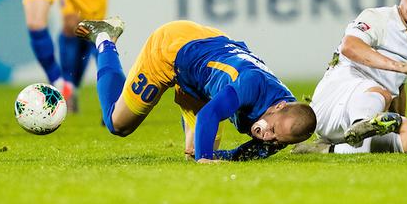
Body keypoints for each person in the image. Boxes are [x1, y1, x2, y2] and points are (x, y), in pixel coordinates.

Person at [73, 17, 316, 162]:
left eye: (277, 139)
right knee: (118, 124)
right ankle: (105, 38)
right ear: (279, 106)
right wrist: (206, 159)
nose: (268, 137)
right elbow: (210, 114)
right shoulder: (252, 84)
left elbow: (244, 153)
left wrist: (216, 157)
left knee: (193, 151)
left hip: (205, 68)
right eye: (272, 130)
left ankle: (189, 104)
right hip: (172, 49)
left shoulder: (287, 123)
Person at [296, 0, 407, 155]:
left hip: (372, 112)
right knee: (381, 93)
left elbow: (398, 87)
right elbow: (349, 46)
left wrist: (399, 122)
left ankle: (328, 149)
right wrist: (400, 66)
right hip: (333, 108)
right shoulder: (378, 18)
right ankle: (362, 126)